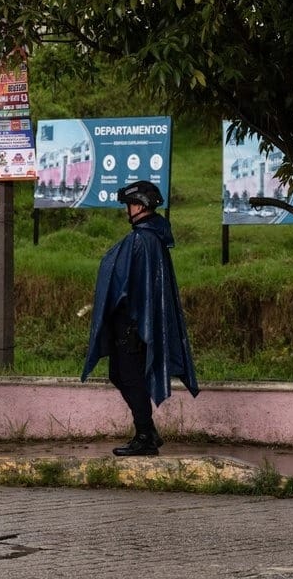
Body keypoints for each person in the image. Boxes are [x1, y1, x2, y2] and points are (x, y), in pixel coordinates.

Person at [81, 180, 199, 456]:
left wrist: (132, 322)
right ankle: (147, 430)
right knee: (120, 375)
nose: (127, 211)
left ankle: (145, 435)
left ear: (139, 206)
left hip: (132, 325)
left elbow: (125, 284)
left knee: (129, 377)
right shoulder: (153, 238)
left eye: (129, 205)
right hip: (136, 323)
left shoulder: (142, 240)